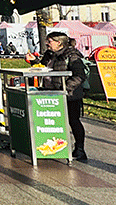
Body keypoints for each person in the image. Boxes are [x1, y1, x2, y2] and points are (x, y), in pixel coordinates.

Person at [25, 32, 88, 162]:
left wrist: (64, 89)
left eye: (50, 41)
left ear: (59, 43)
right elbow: (42, 68)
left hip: (69, 95)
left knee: (73, 120)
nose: (47, 44)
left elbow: (79, 76)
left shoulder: (72, 55)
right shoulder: (49, 54)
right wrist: (34, 62)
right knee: (51, 120)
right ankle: (51, 147)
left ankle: (80, 149)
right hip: (50, 92)